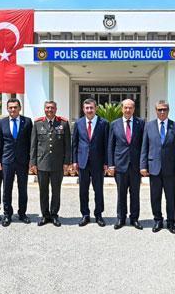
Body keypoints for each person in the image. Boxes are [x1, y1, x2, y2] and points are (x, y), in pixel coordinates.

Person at [30, 100, 71, 227]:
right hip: (42, 163)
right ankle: (45, 215)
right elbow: (33, 145)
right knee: (43, 191)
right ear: (44, 109)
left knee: (56, 191)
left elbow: (67, 145)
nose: (49, 110)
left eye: (52, 108)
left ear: (56, 109)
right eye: (47, 108)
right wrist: (33, 163)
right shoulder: (37, 123)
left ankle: (54, 214)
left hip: (58, 164)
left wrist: (66, 162)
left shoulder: (63, 123)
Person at [140, 100, 175, 234]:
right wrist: (143, 166)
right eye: (159, 109)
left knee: (170, 197)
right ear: (155, 110)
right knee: (155, 196)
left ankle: (171, 222)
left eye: (164, 109)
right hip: (154, 167)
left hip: (170, 169)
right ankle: (158, 220)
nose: (162, 112)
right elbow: (144, 147)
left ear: (168, 110)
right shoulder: (149, 126)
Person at [0, 98, 33, 227]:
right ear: (7, 109)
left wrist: (31, 160)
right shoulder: (2, 122)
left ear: (20, 108)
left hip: (23, 161)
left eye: (15, 107)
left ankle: (22, 213)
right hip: (7, 160)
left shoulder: (27, 122)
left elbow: (31, 142)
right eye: (10, 107)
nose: (13, 109)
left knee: (23, 188)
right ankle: (7, 214)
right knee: (7, 188)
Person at [107, 99, 144, 230]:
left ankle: (134, 219)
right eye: (126, 107)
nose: (128, 110)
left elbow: (143, 145)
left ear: (134, 109)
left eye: (130, 107)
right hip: (120, 165)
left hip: (135, 166)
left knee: (135, 194)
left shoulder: (141, 123)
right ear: (122, 109)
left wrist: (143, 165)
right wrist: (111, 164)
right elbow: (110, 145)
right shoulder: (114, 124)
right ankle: (121, 218)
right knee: (121, 193)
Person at [72, 98, 109, 227]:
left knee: (98, 190)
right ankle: (85, 214)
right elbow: (75, 143)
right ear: (83, 109)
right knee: (83, 190)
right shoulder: (78, 123)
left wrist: (106, 162)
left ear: (96, 108)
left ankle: (98, 214)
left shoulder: (104, 123)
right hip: (82, 162)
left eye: (91, 108)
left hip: (98, 162)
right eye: (87, 108)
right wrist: (74, 161)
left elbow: (107, 144)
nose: (89, 110)